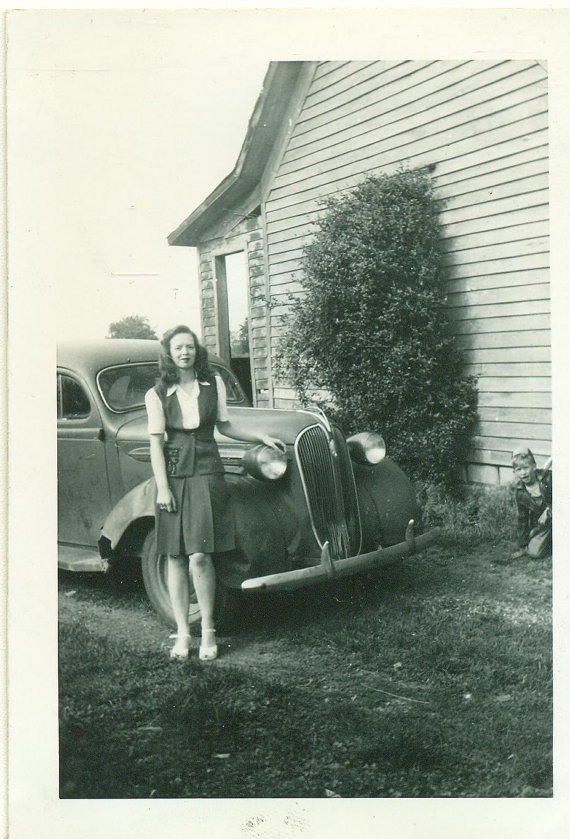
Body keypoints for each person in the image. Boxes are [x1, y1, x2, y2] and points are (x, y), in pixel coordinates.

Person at [145, 325, 285, 661]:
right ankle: (182, 633)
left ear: (197, 351)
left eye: (189, 347)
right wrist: (163, 487)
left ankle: (207, 629)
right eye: (178, 348)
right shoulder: (157, 393)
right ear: (168, 353)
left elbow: (226, 426)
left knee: (202, 556)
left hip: (208, 475)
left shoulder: (213, 384)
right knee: (177, 557)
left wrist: (260, 438)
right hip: (176, 477)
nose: (184, 353)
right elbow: (155, 444)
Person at [510, 447, 552, 560]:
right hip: (545, 526)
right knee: (534, 552)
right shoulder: (520, 492)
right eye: (519, 469)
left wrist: (548, 511)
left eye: (525, 468)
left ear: (534, 466)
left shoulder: (547, 479)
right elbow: (522, 519)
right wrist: (522, 545)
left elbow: (564, 499)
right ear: (514, 472)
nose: (523, 473)